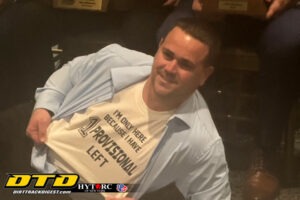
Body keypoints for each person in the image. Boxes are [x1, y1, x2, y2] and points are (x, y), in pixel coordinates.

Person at [25, 18, 230, 200]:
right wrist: (45, 106)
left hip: (87, 191)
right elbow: (71, 72)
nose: (169, 69)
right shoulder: (116, 59)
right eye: (167, 55)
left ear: (205, 75)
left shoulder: (203, 143)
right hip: (39, 152)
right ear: (159, 47)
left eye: (185, 65)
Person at [244, 1, 300, 199]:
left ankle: (266, 151)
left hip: (287, 10)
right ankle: (156, 136)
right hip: (215, 10)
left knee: (286, 43)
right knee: (166, 32)